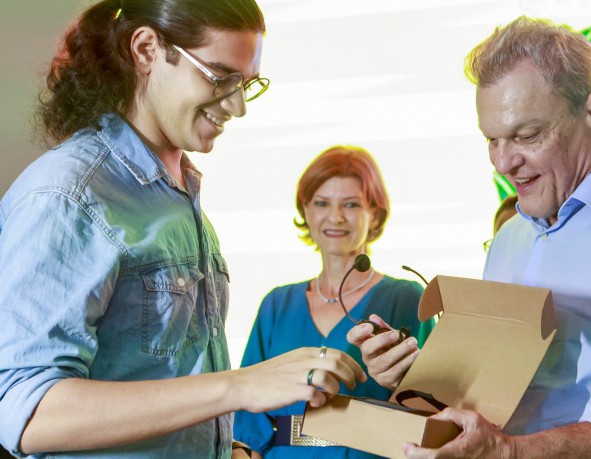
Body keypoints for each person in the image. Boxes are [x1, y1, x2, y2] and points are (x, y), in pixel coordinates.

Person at [348, 16, 591, 458]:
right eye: (491, 140)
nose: (503, 162)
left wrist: (512, 452)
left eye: (526, 135)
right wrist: (416, 378)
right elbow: (495, 400)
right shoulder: (511, 238)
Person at [0, 1, 365, 457]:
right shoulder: (67, 195)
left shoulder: (179, 198)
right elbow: (25, 411)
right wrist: (239, 387)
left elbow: (156, 384)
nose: (237, 106)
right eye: (219, 77)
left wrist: (222, 446)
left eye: (247, 85)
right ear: (147, 49)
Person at [233, 146, 434, 458]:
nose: (335, 217)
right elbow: (247, 418)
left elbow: (430, 405)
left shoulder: (406, 297)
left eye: (351, 204)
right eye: (322, 203)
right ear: (306, 211)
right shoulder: (276, 305)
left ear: (374, 214)